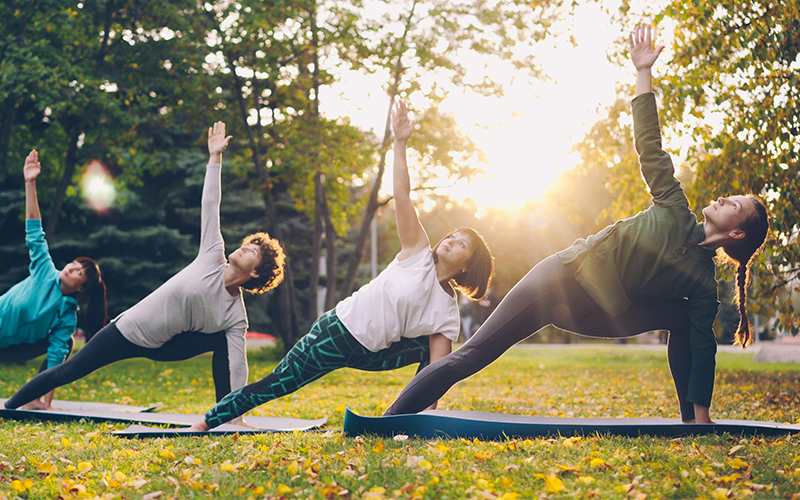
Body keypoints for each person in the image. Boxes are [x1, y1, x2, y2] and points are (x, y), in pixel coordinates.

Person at [384, 24, 770, 424]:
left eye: (734, 204)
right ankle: (389, 417)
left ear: (737, 232)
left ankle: (691, 419)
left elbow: (704, 347)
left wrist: (703, 414)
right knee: (473, 356)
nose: (723, 198)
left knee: (685, 320)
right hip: (559, 281)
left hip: (596, 312)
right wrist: (642, 71)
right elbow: (649, 145)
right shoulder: (675, 206)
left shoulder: (703, 283)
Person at [187, 101, 495, 430]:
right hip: (337, 331)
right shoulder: (418, 252)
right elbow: (402, 195)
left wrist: (427, 416)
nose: (450, 241)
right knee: (279, 383)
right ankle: (207, 421)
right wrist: (400, 142)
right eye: (453, 235)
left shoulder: (447, 313)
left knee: (438, 359)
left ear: (466, 267)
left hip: (373, 353)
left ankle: (402, 417)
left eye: (461, 244)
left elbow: (437, 372)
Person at [4, 123, 286, 420]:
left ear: (255, 274)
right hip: (129, 331)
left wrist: (238, 412)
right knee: (69, 370)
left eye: (252, 252)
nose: (243, 248)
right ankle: (9, 406)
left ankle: (225, 415)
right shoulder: (212, 255)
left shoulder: (235, 316)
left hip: (167, 346)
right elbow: (210, 204)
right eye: (247, 244)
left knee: (225, 342)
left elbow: (238, 365)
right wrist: (215, 158)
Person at [0, 150, 108, 410]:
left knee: (66, 342)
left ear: (81, 287)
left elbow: (56, 356)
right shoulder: (43, 270)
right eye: (75, 264)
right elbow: (34, 230)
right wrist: (30, 183)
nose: (71, 268)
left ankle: (33, 400)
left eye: (79, 272)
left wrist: (47, 403)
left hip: (8, 349)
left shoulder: (66, 315)